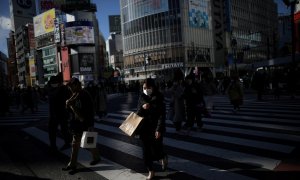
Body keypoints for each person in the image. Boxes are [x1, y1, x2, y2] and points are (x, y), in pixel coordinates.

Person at [63, 77, 101, 171]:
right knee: (75, 144)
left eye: (71, 86)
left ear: (77, 85)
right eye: (69, 86)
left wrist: (71, 106)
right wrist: (68, 105)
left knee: (88, 143)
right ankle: (72, 164)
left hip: (84, 123)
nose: (70, 88)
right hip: (77, 124)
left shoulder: (84, 94)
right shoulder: (74, 94)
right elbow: (71, 112)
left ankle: (96, 158)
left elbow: (87, 112)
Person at [136, 78, 168, 180]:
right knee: (145, 152)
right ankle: (151, 171)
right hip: (144, 129)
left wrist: (159, 129)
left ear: (153, 87)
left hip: (155, 129)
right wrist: (142, 108)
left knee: (156, 150)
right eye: (144, 88)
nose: (146, 89)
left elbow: (162, 116)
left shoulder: (159, 98)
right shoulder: (141, 97)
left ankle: (163, 156)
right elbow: (137, 114)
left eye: (148, 87)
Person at [47, 75, 72, 152]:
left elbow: (69, 98)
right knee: (54, 130)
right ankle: (54, 145)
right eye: (52, 82)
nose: (53, 84)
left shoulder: (63, 89)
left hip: (61, 112)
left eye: (55, 82)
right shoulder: (52, 89)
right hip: (56, 113)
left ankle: (66, 143)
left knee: (62, 129)